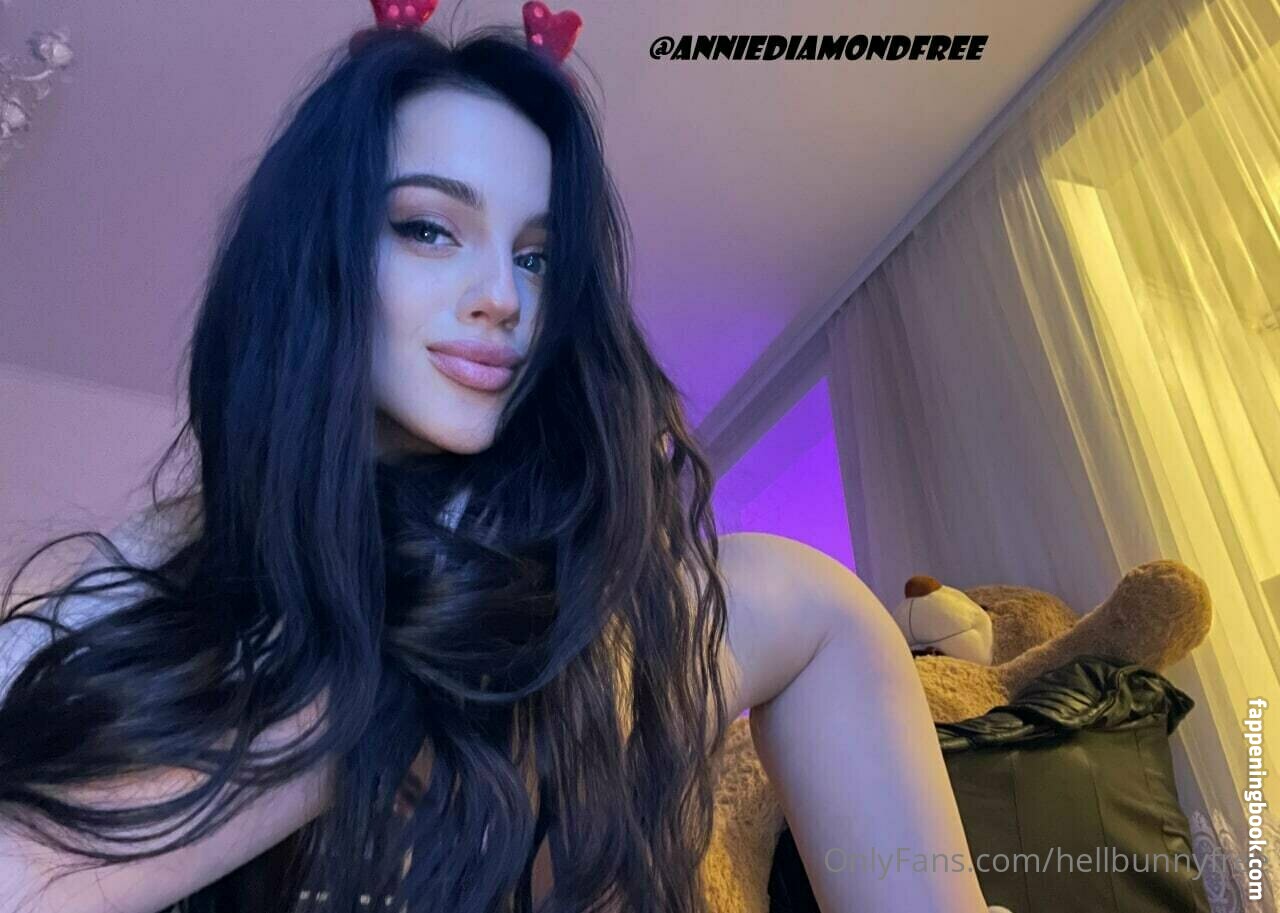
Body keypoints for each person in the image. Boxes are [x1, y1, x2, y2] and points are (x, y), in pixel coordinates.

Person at [0, 15, 999, 913]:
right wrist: (372, 687)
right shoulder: (113, 604)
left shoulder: (700, 614)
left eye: (534, 256)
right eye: (429, 228)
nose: (503, 297)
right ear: (316, 260)